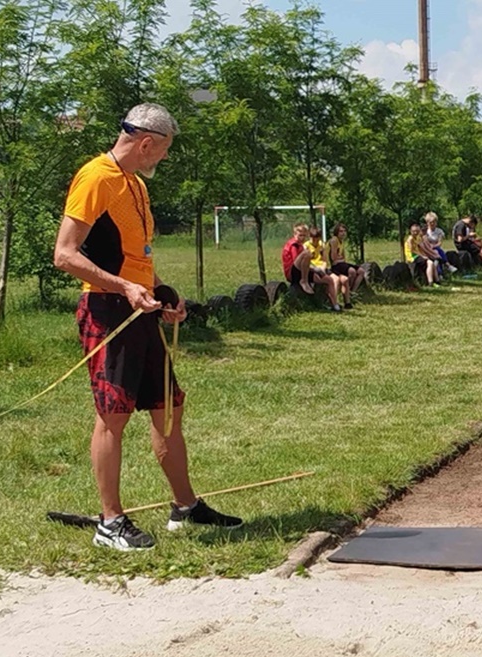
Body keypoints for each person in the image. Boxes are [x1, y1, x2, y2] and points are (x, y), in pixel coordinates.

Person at [52, 103, 242, 551]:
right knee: (112, 416)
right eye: (164, 151)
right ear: (146, 143)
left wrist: (161, 295)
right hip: (106, 312)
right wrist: (124, 288)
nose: (164, 159)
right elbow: (64, 254)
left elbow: (136, 256)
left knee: (168, 407)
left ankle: (185, 506)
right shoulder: (96, 178)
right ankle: (110, 522)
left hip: (140, 311)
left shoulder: (134, 184)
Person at [282, 223, 341, 311]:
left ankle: (334, 304)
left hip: (303, 270)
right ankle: (304, 281)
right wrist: (314, 269)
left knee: (329, 280)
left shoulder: (303, 245)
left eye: (304, 235)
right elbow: (296, 262)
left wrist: (317, 270)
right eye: (300, 235)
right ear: (294, 234)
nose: (302, 237)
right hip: (293, 272)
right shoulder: (293, 245)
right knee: (307, 253)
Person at [305, 226, 351, 308]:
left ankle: (334, 302)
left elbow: (325, 260)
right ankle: (330, 302)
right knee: (329, 279)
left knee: (336, 279)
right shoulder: (306, 246)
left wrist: (323, 267)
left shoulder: (322, 245)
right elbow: (305, 262)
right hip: (312, 268)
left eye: (317, 238)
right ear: (309, 237)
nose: (315, 241)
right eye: (313, 238)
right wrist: (316, 268)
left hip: (322, 267)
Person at [324, 222, 367, 296]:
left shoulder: (341, 241)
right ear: (336, 232)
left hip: (340, 263)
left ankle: (352, 291)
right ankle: (346, 291)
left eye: (344, 231)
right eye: (341, 231)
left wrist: (340, 259)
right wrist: (340, 259)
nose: (343, 233)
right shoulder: (334, 240)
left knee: (361, 271)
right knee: (352, 271)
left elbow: (343, 257)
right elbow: (333, 258)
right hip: (332, 266)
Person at [423, 211, 450, 277]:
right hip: (428, 249)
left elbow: (440, 243)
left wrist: (433, 246)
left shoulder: (439, 231)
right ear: (427, 223)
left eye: (434, 222)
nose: (432, 224)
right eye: (430, 222)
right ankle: (447, 264)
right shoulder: (425, 231)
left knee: (438, 253)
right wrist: (430, 247)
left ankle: (440, 272)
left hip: (436, 248)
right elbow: (425, 241)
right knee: (437, 253)